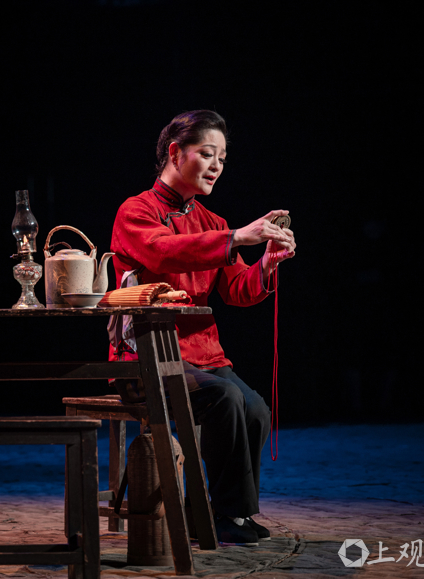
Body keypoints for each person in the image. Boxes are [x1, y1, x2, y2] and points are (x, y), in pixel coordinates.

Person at [108, 110, 296, 545]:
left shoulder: (213, 222)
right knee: (224, 397)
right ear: (176, 153)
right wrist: (237, 238)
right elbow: (163, 251)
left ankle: (231, 513)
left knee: (255, 408)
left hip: (203, 357)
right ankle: (221, 514)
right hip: (147, 359)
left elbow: (238, 290)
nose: (217, 166)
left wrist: (266, 263)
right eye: (208, 154)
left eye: (223, 159)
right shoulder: (136, 211)